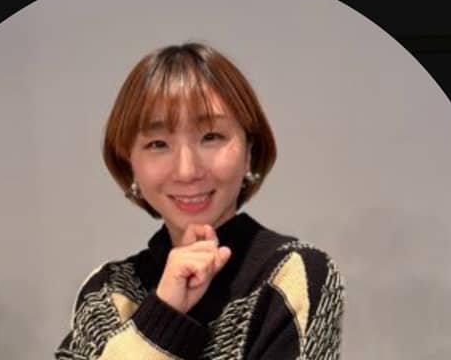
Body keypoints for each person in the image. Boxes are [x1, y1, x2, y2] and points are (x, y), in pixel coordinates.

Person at [55, 43, 345, 359]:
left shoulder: (293, 273)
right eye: (158, 144)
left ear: (249, 150)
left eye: (211, 137)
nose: (187, 171)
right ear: (128, 162)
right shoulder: (106, 292)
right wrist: (162, 313)